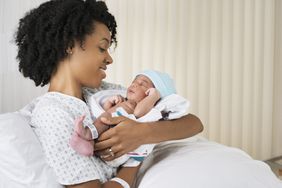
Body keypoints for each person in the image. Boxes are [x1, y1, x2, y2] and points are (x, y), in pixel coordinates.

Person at [14, 0, 203, 187]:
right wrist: (134, 163)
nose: (109, 58)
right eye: (102, 48)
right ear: (69, 45)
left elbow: (194, 123)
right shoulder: (53, 114)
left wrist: (142, 133)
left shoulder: (103, 91)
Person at [70, 70, 190, 168]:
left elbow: (138, 113)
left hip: (117, 147)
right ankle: (88, 144)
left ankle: (87, 133)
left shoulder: (143, 108)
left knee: (107, 118)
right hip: (107, 134)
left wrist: (154, 97)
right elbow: (105, 112)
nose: (134, 85)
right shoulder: (125, 101)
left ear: (152, 95)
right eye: (134, 81)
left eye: (142, 84)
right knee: (106, 117)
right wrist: (110, 104)